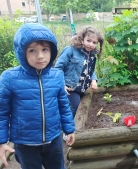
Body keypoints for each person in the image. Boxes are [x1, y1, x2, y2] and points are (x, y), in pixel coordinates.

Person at [0, 23, 75, 169]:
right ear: (22, 52)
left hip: (53, 139)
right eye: (32, 50)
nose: (40, 56)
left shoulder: (57, 75)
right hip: (25, 143)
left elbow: (63, 105)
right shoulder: (9, 78)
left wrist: (69, 129)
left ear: (52, 51)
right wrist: (1, 141)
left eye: (45, 49)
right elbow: (1, 113)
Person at [55, 26, 104, 120]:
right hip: (70, 87)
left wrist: (93, 80)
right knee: (77, 107)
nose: (91, 44)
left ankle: (74, 127)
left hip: (82, 88)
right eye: (88, 40)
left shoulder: (92, 55)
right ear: (82, 39)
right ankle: (69, 129)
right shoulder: (71, 50)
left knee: (83, 106)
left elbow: (90, 71)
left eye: (94, 42)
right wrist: (62, 84)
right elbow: (58, 68)